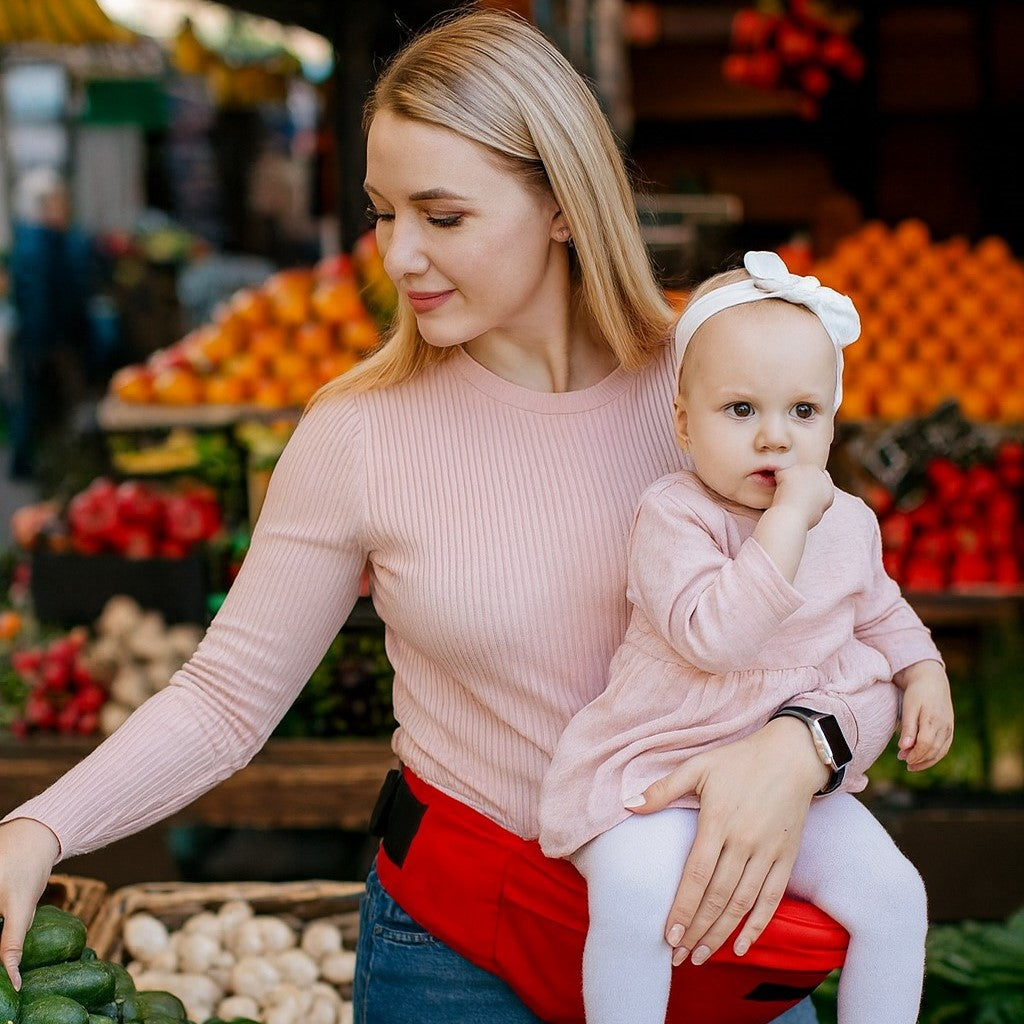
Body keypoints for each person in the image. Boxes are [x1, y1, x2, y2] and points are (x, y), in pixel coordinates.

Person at [1, 11, 893, 1023]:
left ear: (561, 203)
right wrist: (39, 828)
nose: (399, 256)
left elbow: (862, 624)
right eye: (384, 213)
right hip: (462, 951)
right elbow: (224, 700)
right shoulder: (358, 434)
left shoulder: (709, 388)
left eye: (443, 216)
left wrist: (807, 743)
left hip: (716, 929)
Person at [539, 250, 955, 1024]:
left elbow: (882, 610)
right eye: (741, 411)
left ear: (834, 417)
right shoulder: (675, 515)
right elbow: (714, 638)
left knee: (896, 899)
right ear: (683, 424)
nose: (775, 439)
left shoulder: (851, 522)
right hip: (656, 768)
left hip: (787, 783)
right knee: (638, 895)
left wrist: (922, 669)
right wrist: (788, 524)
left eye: (803, 413)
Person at [5, 167, 96, 480]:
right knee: (35, 404)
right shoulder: (37, 244)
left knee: (41, 403)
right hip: (42, 340)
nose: (63, 206)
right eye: (57, 201)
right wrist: (48, 343)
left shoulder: (49, 239)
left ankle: (38, 463)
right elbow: (41, 297)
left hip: (48, 337)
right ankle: (29, 464)